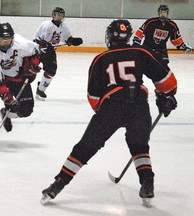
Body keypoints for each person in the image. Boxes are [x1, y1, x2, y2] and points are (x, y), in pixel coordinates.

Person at [41, 19, 178, 207]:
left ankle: (58, 184)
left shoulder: (100, 59)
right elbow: (167, 80)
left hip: (112, 107)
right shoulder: (141, 52)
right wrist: (165, 97)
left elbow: (93, 97)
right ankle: (147, 183)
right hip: (139, 105)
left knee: (86, 147)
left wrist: (105, 113)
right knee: (139, 146)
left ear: (109, 36)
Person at [34, 7, 83, 101]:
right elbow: (37, 39)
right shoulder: (46, 25)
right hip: (37, 51)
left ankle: (40, 90)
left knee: (51, 71)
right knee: (29, 71)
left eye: (61, 15)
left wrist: (72, 41)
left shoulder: (63, 27)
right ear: (53, 15)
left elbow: (68, 38)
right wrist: (44, 44)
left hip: (50, 52)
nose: (59, 17)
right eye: (58, 15)